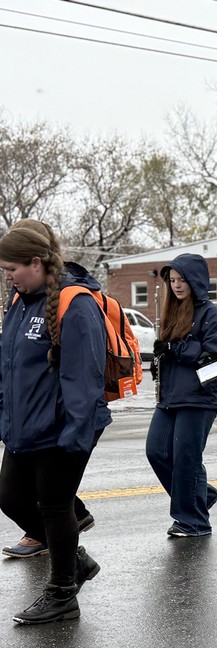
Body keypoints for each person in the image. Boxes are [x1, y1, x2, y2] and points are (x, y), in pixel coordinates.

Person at [0, 219, 109, 624]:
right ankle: (75, 560)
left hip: (62, 429)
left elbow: (85, 377)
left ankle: (63, 593)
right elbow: (8, 366)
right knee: (10, 498)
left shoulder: (75, 303)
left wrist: (75, 436)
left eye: (11, 269)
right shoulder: (17, 302)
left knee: (54, 505)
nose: (7, 277)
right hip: (23, 426)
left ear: (36, 262)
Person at [146, 254, 217, 538]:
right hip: (170, 396)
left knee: (186, 457)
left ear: (196, 280)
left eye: (182, 279)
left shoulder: (212, 315)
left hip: (199, 396)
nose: (177, 285)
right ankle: (201, 495)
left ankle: (194, 521)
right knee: (156, 451)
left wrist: (176, 349)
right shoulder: (172, 313)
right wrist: (159, 358)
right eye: (172, 281)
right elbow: (170, 350)